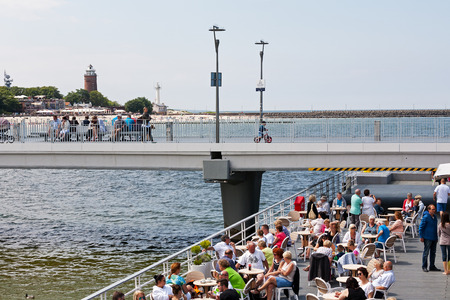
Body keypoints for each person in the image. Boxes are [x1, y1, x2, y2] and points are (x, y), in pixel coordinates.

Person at [419, 204, 440, 272]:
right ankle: (424, 266)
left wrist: (436, 237)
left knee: (433, 253)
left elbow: (435, 228)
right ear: (429, 210)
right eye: (433, 209)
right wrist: (421, 236)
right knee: (426, 252)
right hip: (427, 237)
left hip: (434, 237)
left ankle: (432, 266)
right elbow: (421, 227)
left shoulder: (435, 217)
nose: (434, 210)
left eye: (434, 209)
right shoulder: (426, 217)